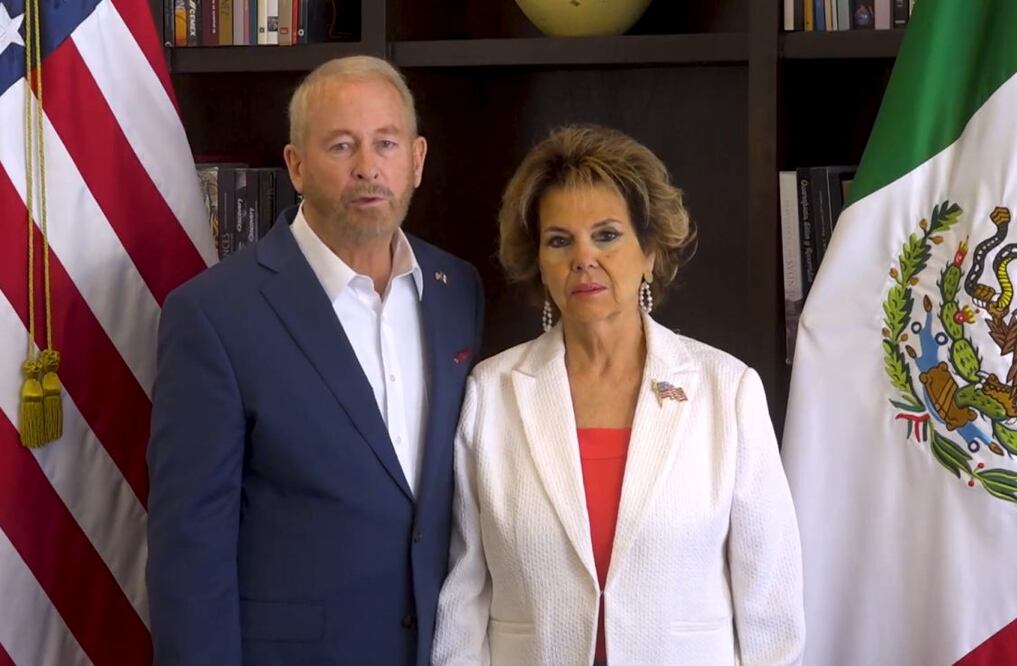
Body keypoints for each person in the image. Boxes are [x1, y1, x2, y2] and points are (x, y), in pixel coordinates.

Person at [147, 55, 484, 665]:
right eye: (340, 146)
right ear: (296, 167)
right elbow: (189, 551)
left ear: (417, 161)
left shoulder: (457, 289)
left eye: (386, 143)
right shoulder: (214, 314)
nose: (367, 168)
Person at [432, 125, 804, 666]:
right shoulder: (491, 394)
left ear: (650, 251)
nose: (584, 258)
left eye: (607, 235)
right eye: (560, 240)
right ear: (539, 260)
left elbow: (772, 606)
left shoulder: (727, 391)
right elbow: (463, 599)